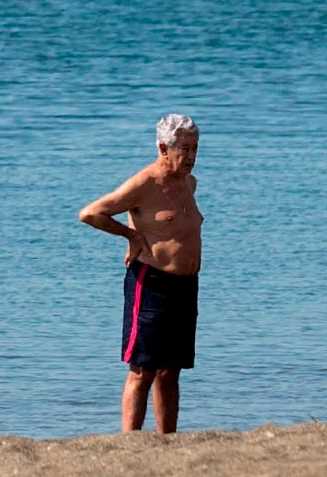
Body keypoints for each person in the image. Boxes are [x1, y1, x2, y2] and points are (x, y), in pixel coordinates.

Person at [78, 113, 202, 434]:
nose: (191, 156)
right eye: (184, 149)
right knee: (142, 369)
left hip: (186, 287)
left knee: (170, 370)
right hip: (152, 284)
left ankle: (168, 442)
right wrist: (131, 235)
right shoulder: (145, 184)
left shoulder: (189, 183)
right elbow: (91, 213)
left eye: (195, 148)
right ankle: (129, 444)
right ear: (163, 148)